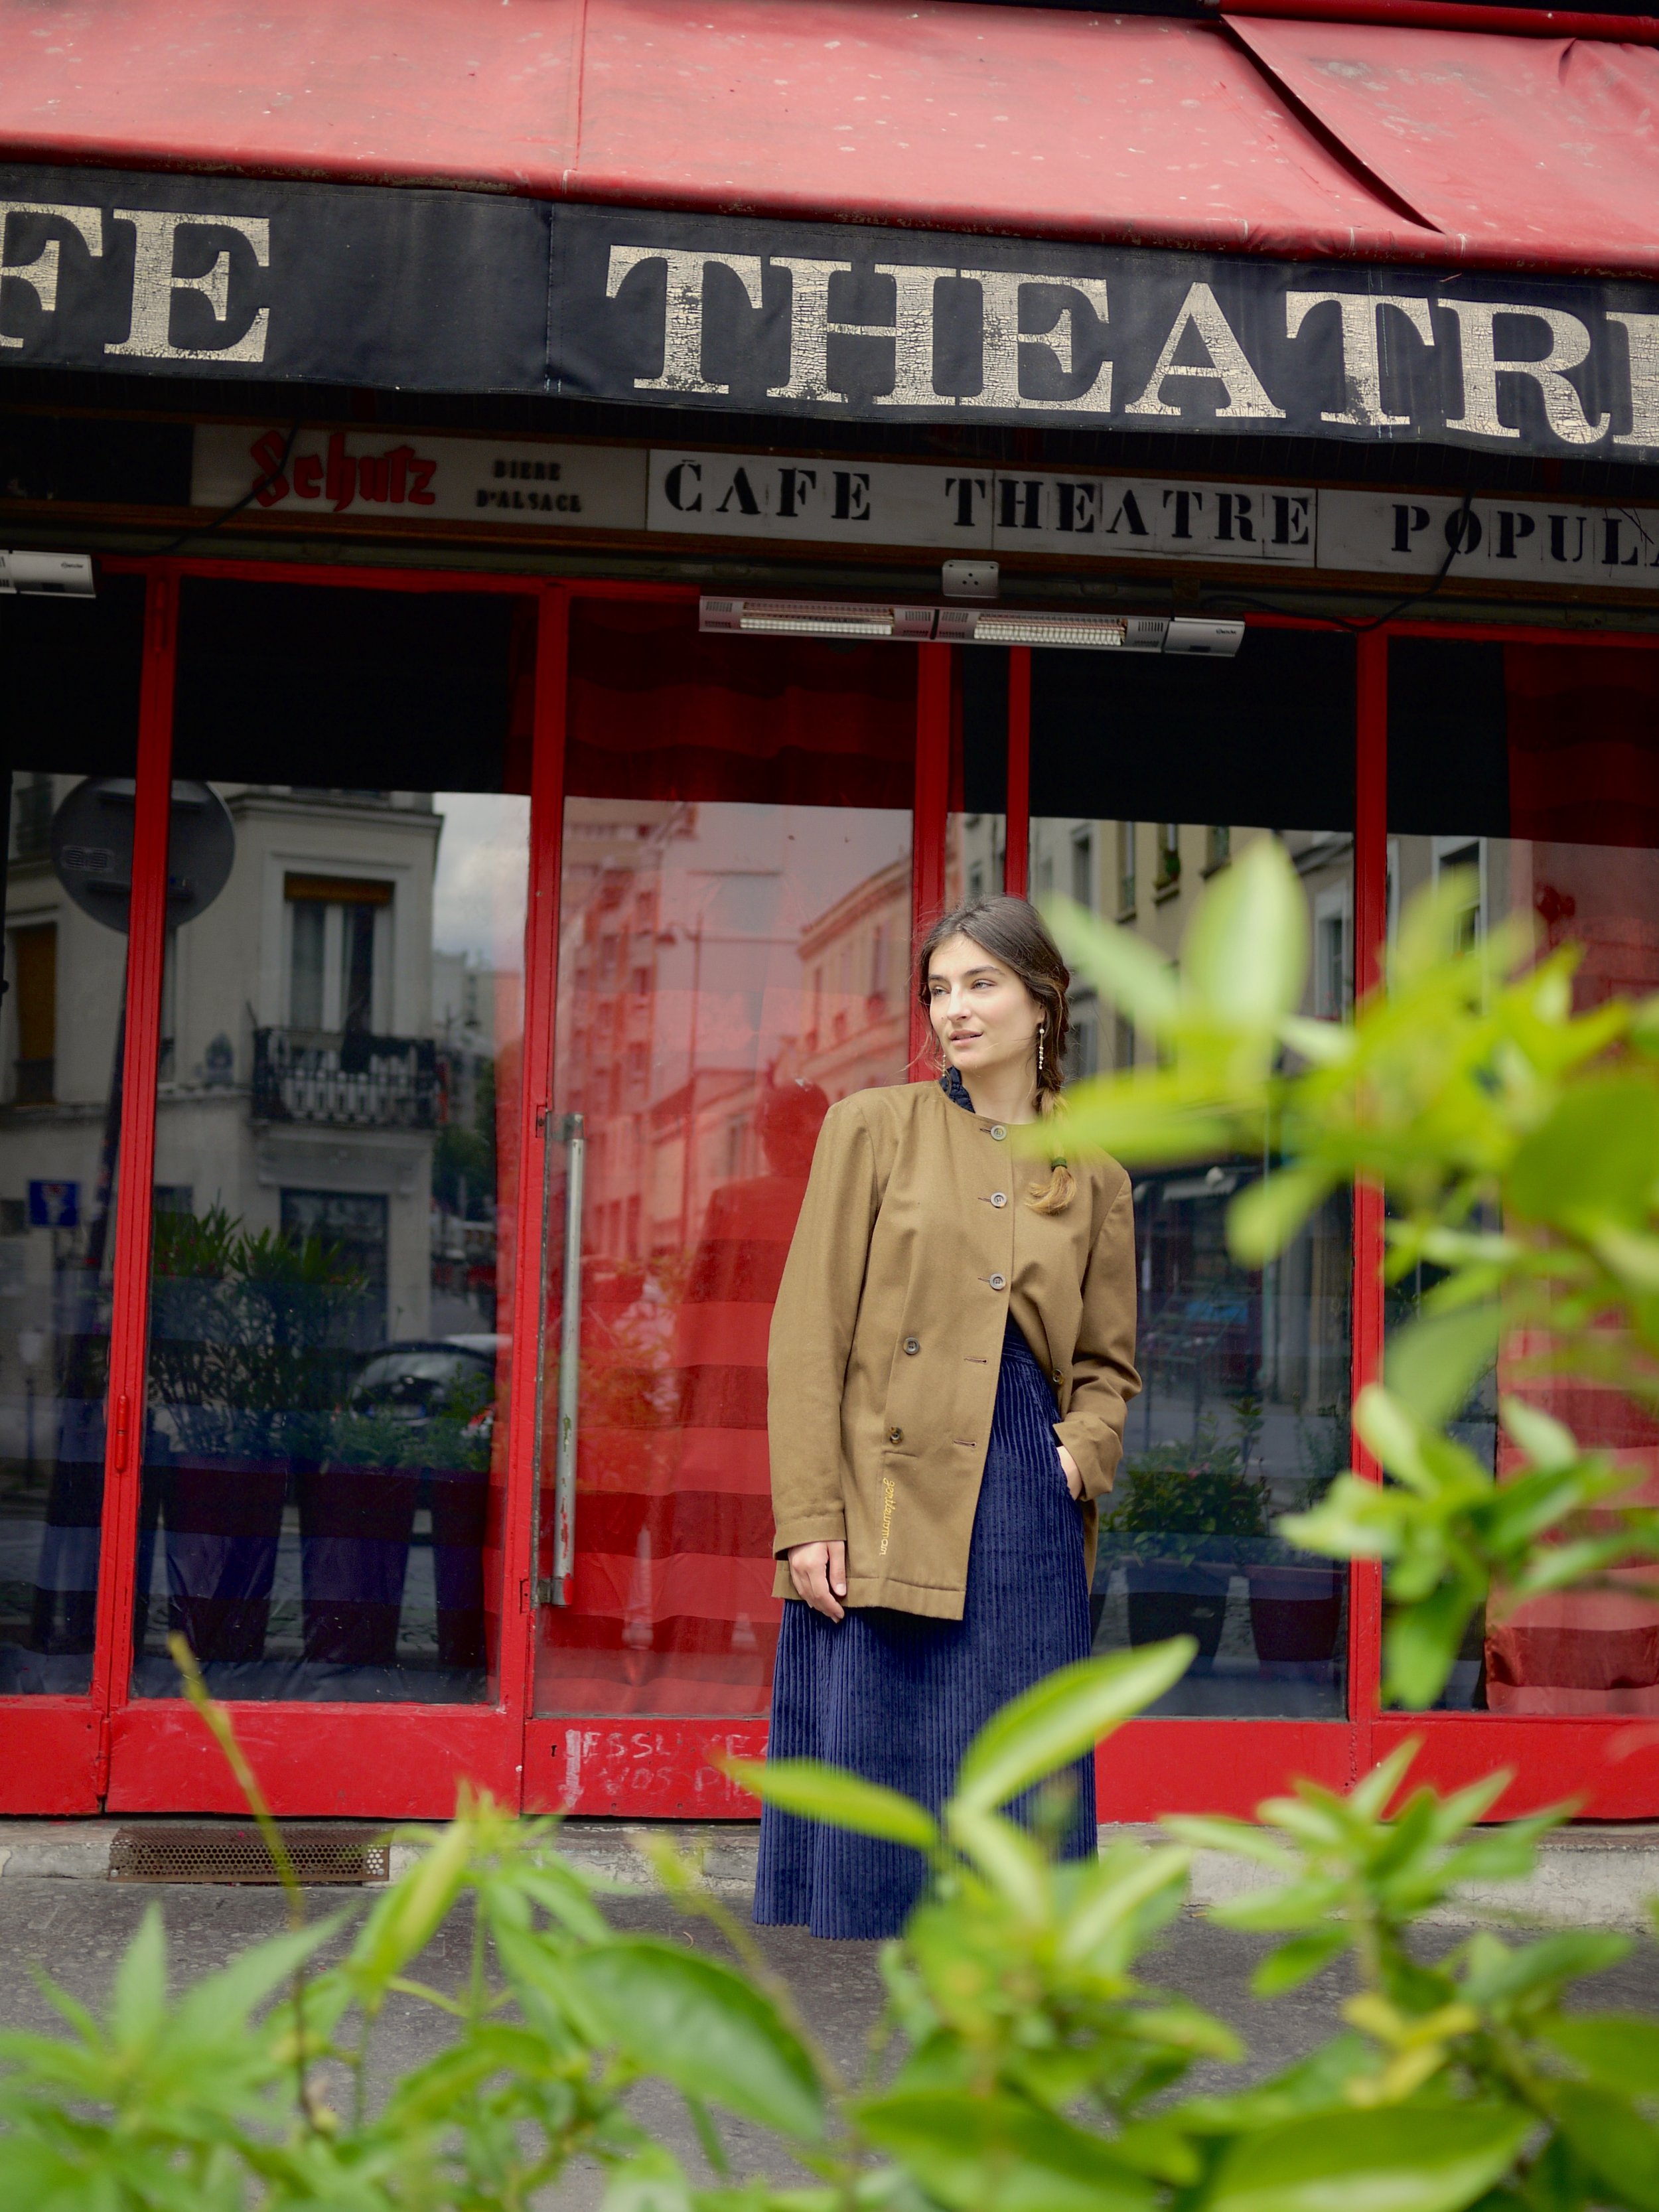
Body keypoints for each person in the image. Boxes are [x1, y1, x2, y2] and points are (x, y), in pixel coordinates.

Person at [754, 895, 1140, 1939]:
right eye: (939, 988)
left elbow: (1109, 1365)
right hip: (888, 1475)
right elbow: (807, 1334)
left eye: (981, 983)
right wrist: (808, 1516)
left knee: (1015, 1752)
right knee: (882, 1746)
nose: (954, 1010)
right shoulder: (874, 1125)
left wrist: (1080, 1452)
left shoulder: (1095, 1169)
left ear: (1042, 1000)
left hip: (1025, 1475)